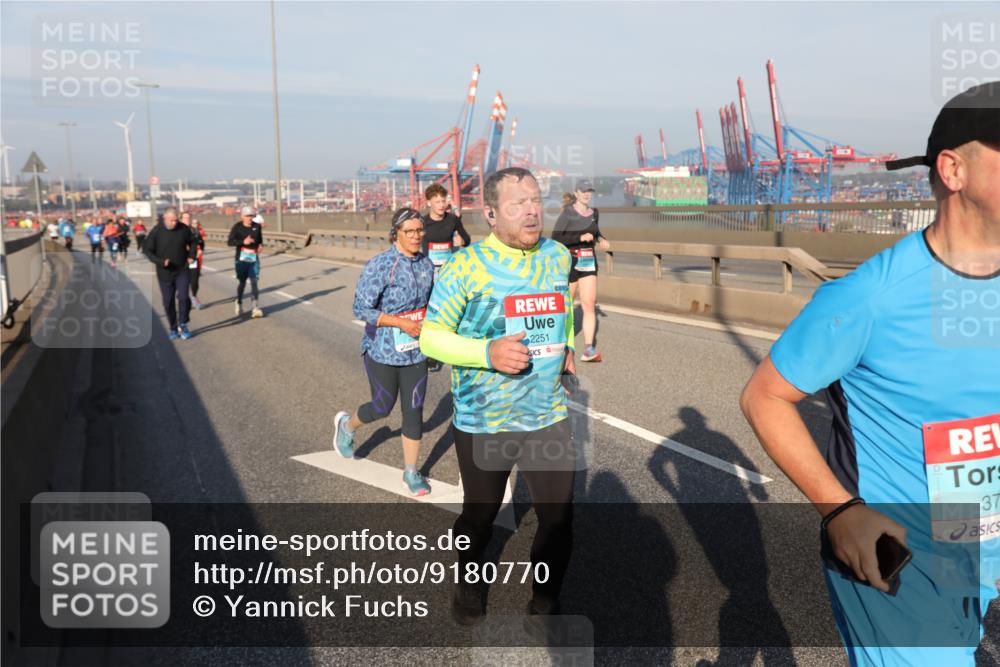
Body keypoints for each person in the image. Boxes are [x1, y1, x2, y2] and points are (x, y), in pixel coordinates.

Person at [740, 82, 999, 667]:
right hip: (899, 555)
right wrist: (839, 510)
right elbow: (764, 397)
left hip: (978, 544)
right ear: (953, 170)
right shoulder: (869, 297)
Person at [419, 167, 577, 626]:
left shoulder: (556, 256)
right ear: (490, 214)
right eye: (517, 204)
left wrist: (566, 345)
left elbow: (561, 306)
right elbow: (431, 338)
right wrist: (486, 352)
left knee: (558, 518)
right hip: (485, 417)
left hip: (546, 412)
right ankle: (469, 583)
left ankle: (544, 603)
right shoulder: (465, 266)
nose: (531, 211)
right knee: (480, 515)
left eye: (536, 201)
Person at [332, 207, 435, 496]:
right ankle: (346, 426)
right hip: (382, 349)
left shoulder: (426, 264)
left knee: (413, 410)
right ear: (395, 233)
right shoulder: (381, 265)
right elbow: (360, 308)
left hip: (416, 351)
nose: (416, 236)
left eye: (419, 230)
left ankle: (411, 472)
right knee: (381, 407)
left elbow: (431, 304)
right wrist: (399, 322)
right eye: (409, 231)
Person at [552, 179, 610, 362]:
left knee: (589, 304)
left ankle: (589, 349)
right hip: (570, 261)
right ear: (576, 193)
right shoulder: (568, 213)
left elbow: (595, 231)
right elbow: (556, 238)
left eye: (589, 191)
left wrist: (601, 239)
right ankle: (558, 344)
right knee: (566, 305)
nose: (586, 194)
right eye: (583, 191)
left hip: (588, 261)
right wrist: (578, 237)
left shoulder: (595, 213)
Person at [143, 206, 197, 340]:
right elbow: (147, 250)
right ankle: (173, 328)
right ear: (165, 219)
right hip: (164, 272)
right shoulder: (157, 231)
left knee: (184, 297)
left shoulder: (183, 229)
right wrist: (160, 262)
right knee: (168, 302)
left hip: (182, 269)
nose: (174, 223)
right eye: (172, 220)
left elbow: (193, 242)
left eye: (176, 220)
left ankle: (183, 324)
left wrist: (191, 255)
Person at [420, 183, 471, 272]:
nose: (441, 205)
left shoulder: (453, 219)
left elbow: (467, 240)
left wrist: (462, 241)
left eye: (443, 201)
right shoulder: (422, 222)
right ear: (429, 203)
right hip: (429, 269)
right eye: (437, 202)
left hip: (450, 268)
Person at [227, 205, 264, 318]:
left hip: (253, 258)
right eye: (247, 216)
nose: (249, 218)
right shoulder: (237, 227)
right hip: (241, 259)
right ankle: (238, 301)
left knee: (254, 281)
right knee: (242, 282)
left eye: (251, 216)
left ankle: (255, 308)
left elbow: (260, 240)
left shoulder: (257, 226)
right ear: (242, 216)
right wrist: (243, 242)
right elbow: (230, 242)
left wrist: (260, 245)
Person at [188, 217, 206, 309]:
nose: (195, 225)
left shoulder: (196, 232)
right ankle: (183, 300)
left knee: (195, 281)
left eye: (196, 223)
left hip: (193, 260)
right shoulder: (179, 231)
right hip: (182, 260)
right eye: (193, 223)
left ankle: (194, 297)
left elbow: (202, 243)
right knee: (183, 282)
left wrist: (201, 250)